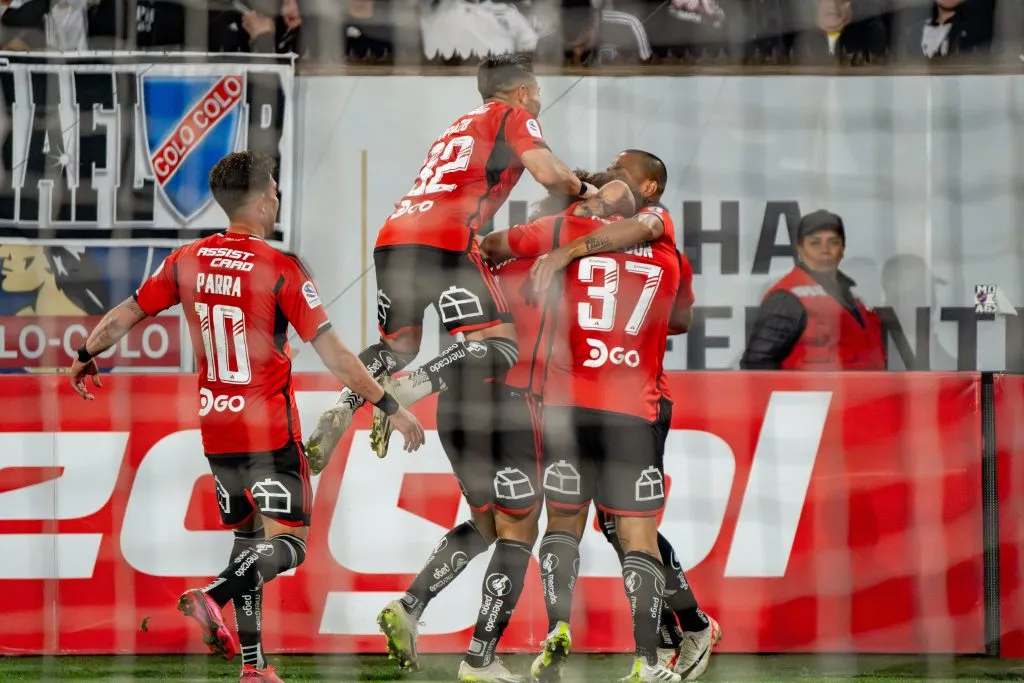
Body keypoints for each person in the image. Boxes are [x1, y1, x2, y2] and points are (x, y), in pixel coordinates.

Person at [66, 151, 425, 683]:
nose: (277, 200)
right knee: (290, 545)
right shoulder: (280, 267)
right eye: (275, 192)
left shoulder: (186, 259)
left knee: (246, 540)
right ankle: (212, 595)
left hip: (215, 428)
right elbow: (337, 357)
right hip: (268, 430)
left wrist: (84, 353)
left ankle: (254, 668)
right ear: (260, 202)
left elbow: (126, 313)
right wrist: (389, 405)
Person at [373, 181, 637, 683]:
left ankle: (410, 605)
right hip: (516, 406)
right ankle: (479, 657)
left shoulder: (487, 261)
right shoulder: (575, 260)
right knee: (519, 532)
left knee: (486, 524)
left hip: (458, 403)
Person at [305, 51, 596, 466]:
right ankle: (407, 390)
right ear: (522, 91)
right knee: (498, 345)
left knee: (398, 346)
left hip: (394, 235)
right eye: (537, 95)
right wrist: (587, 191)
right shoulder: (512, 116)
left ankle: (343, 405)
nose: (538, 103)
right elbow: (551, 175)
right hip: (446, 240)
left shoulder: (455, 127)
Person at [515, 174, 684, 683]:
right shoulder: (665, 244)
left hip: (567, 408)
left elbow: (494, 248)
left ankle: (556, 630)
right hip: (631, 409)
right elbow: (681, 318)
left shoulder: (563, 231)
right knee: (638, 537)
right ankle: (647, 661)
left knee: (562, 526)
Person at [739, 209, 886, 370]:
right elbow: (757, 365)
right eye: (815, 243)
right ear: (800, 249)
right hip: (816, 394)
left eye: (834, 242)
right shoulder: (787, 298)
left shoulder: (853, 299)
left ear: (843, 249)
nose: (825, 250)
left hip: (864, 394)